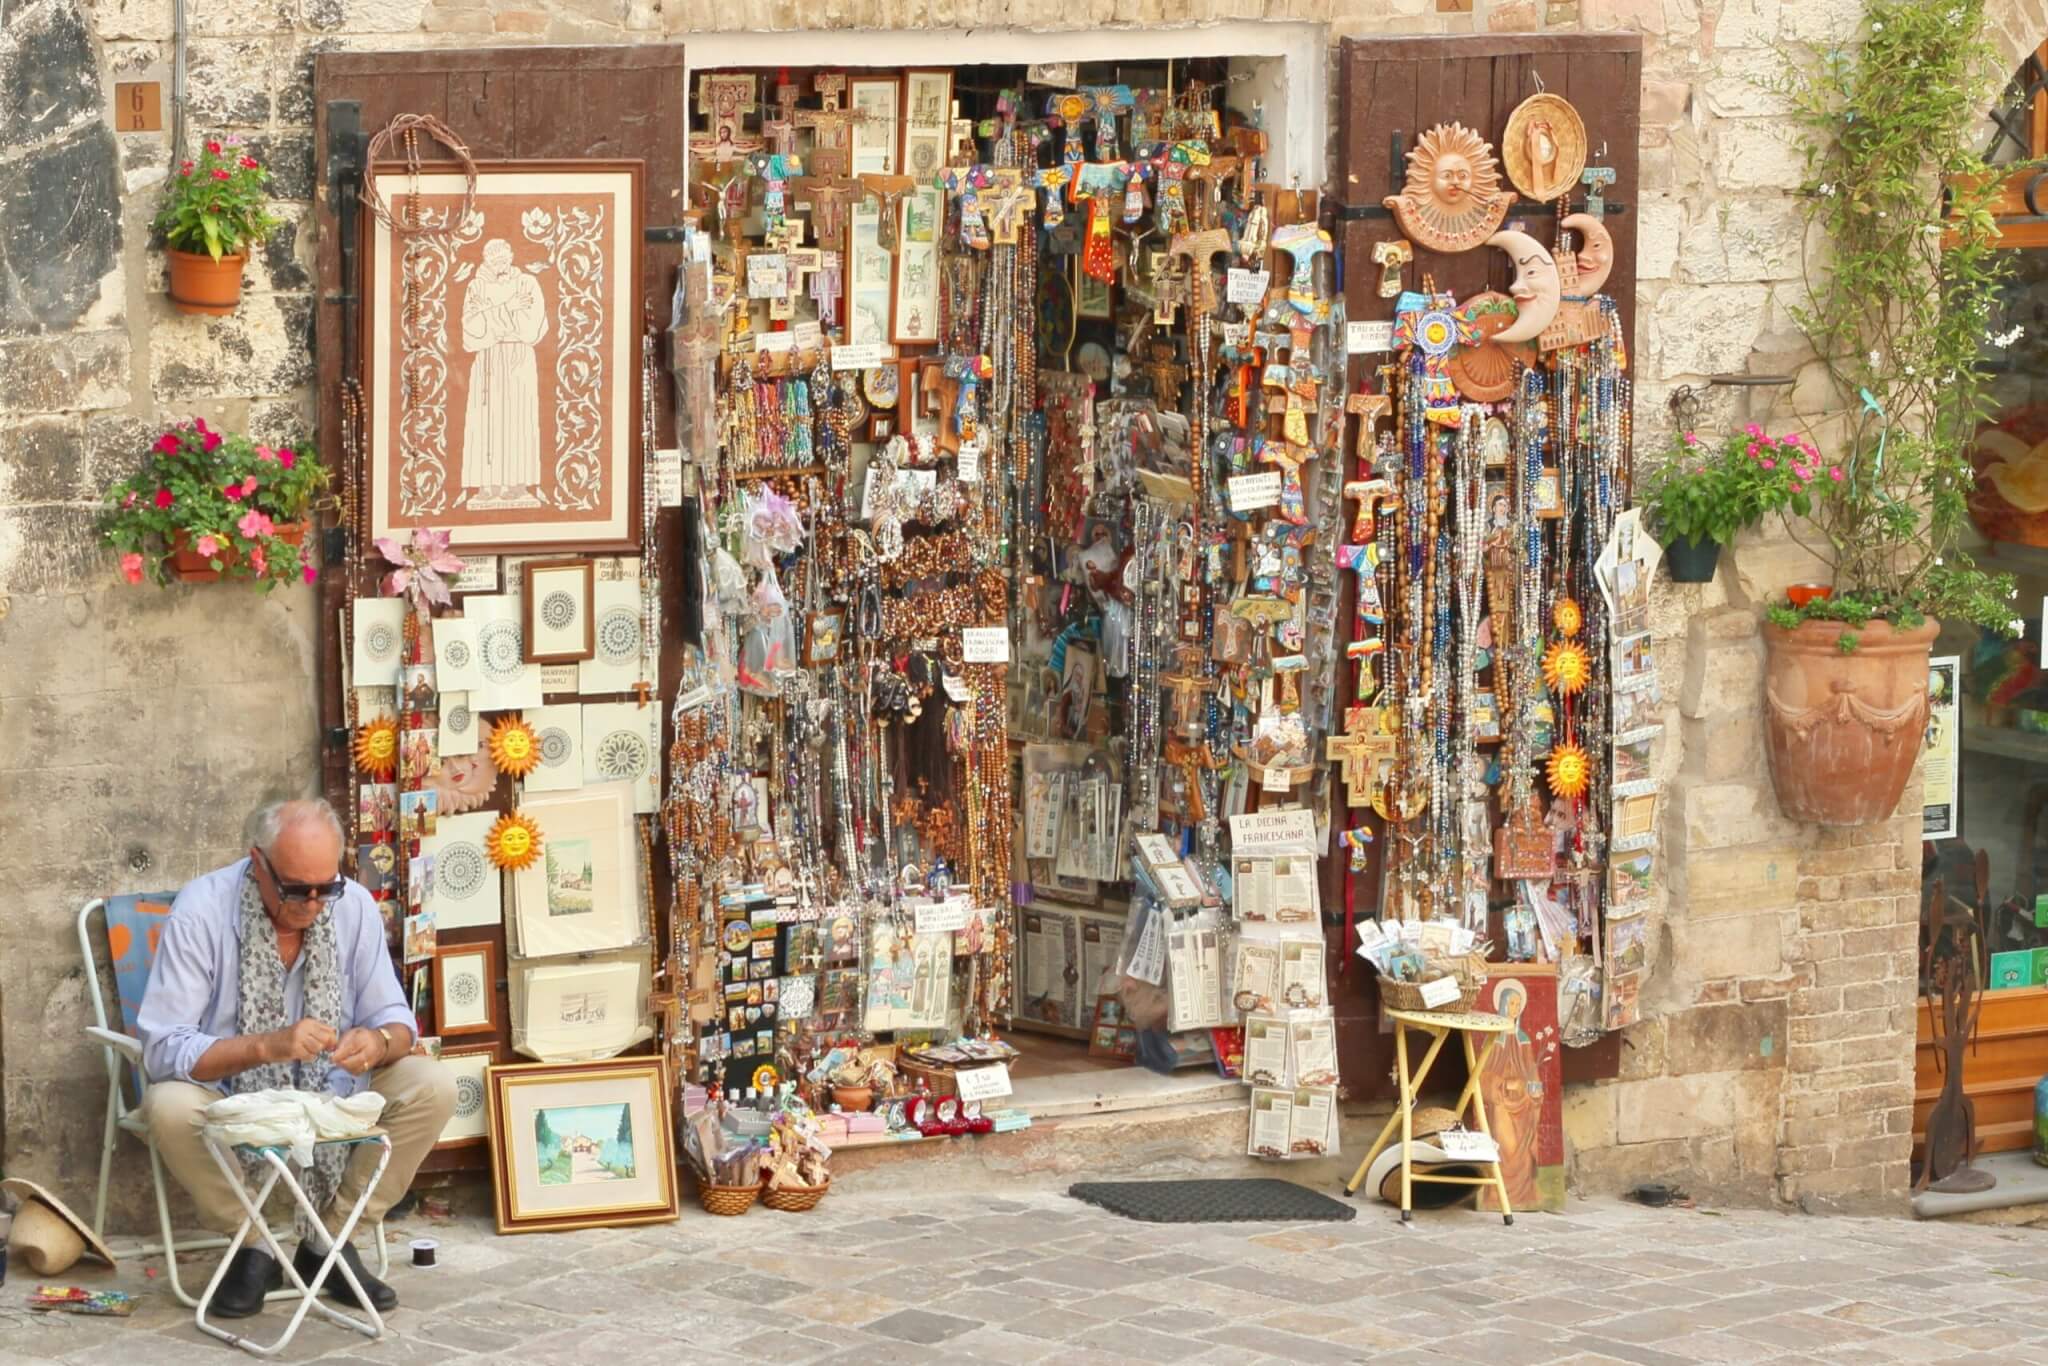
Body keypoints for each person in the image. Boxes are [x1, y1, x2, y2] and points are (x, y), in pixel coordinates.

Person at [137, 800, 454, 1319]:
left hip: (331, 1093)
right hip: (231, 1096)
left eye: (323, 887)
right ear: (256, 863)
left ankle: (328, 1240)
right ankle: (256, 1244)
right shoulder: (202, 909)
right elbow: (164, 1048)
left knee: (433, 1084)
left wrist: (377, 1042)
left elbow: (398, 1020)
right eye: (295, 889)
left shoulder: (350, 905)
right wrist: (266, 1045)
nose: (312, 903)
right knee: (168, 1104)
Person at [459, 237, 549, 503]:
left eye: (504, 257)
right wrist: (508, 310)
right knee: (487, 418)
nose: (500, 263)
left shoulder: (527, 283)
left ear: (511, 256)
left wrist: (494, 315)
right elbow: (471, 326)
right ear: (486, 260)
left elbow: (533, 325)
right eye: (494, 259)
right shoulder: (476, 286)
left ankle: (517, 483)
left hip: (519, 357)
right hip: (488, 358)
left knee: (518, 417)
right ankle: (487, 484)